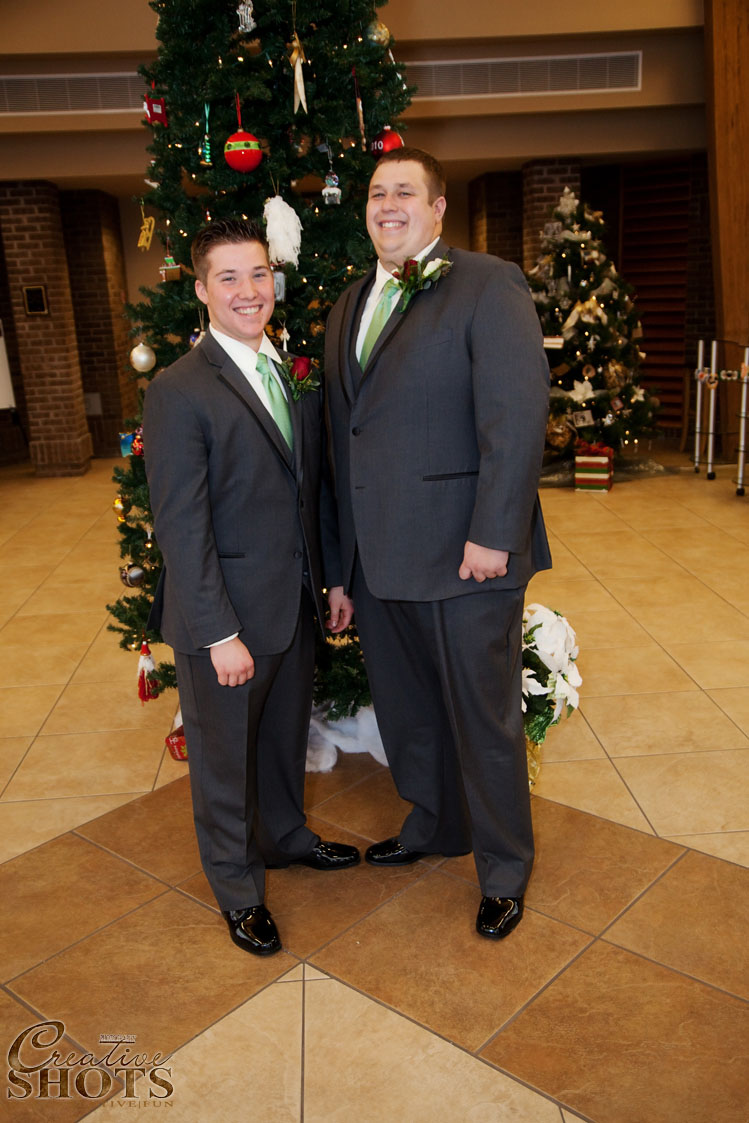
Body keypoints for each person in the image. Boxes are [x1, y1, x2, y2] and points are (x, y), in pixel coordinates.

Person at [324, 149, 551, 940]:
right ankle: (434, 823)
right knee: (409, 712)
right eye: (376, 193)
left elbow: (516, 414)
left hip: (466, 557)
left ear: (437, 207)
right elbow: (344, 445)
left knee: (483, 721)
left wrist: (493, 532)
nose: (388, 205)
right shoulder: (349, 303)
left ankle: (503, 868)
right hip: (378, 560)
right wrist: (340, 568)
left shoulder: (487, 283)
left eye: (404, 192)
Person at [143, 218, 358, 957]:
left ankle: (286, 836)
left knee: (280, 739)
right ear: (202, 291)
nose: (248, 290)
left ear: (275, 280)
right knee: (225, 761)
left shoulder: (287, 372)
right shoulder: (179, 390)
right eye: (228, 277)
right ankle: (237, 889)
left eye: (258, 273)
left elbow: (310, 489)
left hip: (291, 603)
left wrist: (330, 580)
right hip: (226, 621)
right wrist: (217, 632)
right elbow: (182, 525)